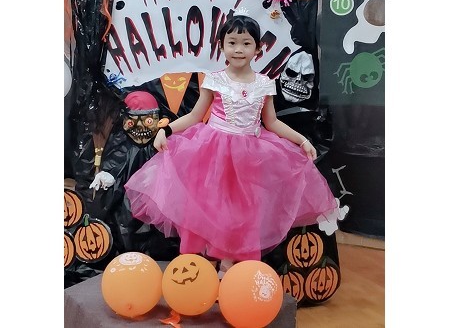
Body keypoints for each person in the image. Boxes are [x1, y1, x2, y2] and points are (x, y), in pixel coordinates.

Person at [123, 14, 337, 276]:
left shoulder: (264, 84)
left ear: (258, 49)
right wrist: (165, 130)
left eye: (246, 43)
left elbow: (272, 122)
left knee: (242, 212)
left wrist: (302, 140)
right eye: (232, 42)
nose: (238, 49)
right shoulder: (215, 80)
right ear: (222, 46)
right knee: (211, 207)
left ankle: (231, 267)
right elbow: (194, 116)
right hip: (212, 153)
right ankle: (202, 269)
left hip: (249, 158)